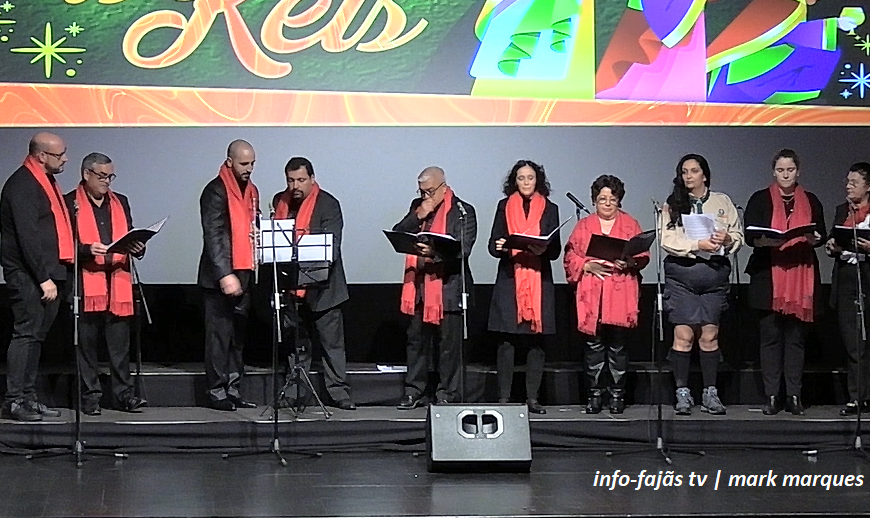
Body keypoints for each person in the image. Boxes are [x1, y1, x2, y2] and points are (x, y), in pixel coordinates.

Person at [63, 153, 149, 415]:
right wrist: (88, 250)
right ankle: (90, 397)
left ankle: (124, 395)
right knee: (86, 347)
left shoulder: (120, 201)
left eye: (110, 176)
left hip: (118, 283)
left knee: (120, 348)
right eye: (102, 176)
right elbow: (63, 246)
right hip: (86, 284)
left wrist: (138, 247)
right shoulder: (70, 203)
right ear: (86, 174)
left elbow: (129, 234)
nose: (107, 182)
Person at [744, 149, 825, 416]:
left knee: (796, 340)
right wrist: (766, 241)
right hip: (769, 275)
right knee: (770, 339)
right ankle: (771, 396)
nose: (785, 175)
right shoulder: (760, 199)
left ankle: (793, 395)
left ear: (798, 171)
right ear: (773, 172)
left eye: (790, 170)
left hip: (801, 274)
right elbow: (750, 235)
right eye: (780, 170)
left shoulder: (810, 200)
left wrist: (815, 239)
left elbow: (820, 233)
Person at [661, 153, 743, 415]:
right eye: (684, 172)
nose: (688, 176)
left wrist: (728, 238)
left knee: (709, 336)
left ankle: (710, 392)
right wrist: (697, 245)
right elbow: (667, 240)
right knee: (684, 336)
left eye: (694, 171)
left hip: (713, 277)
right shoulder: (673, 204)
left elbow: (737, 235)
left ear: (704, 175)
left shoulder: (722, 201)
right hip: (683, 277)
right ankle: (682, 392)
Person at [271, 157, 355, 411]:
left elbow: (333, 247)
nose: (295, 185)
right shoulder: (279, 201)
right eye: (290, 180)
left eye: (300, 180)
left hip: (324, 288)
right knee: (296, 345)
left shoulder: (329, 204)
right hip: (291, 288)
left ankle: (338, 392)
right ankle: (295, 391)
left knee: (332, 346)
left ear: (312, 179)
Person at [0, 133, 72, 421]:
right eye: (59, 154)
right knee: (26, 334)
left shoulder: (46, 183)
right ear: (41, 155)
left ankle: (28, 396)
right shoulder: (23, 185)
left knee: (36, 337)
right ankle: (15, 400)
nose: (65, 158)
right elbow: (26, 236)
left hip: (47, 272)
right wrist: (43, 278)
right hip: (29, 274)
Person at [564, 175, 649, 414]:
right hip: (592, 292)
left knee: (618, 347)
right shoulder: (584, 226)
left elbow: (643, 255)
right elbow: (570, 255)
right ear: (594, 201)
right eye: (602, 199)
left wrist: (630, 261)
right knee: (593, 347)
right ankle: (594, 396)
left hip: (620, 290)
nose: (608, 203)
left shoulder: (630, 224)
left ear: (619, 200)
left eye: (612, 199)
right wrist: (586, 265)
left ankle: (617, 396)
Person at [393, 167, 476, 408]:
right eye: (421, 191)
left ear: (443, 187)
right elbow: (399, 234)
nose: (426, 196)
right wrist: (418, 215)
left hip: (448, 288)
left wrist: (435, 253)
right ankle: (414, 391)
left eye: (430, 191)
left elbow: (463, 250)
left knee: (449, 347)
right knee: (416, 343)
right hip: (419, 286)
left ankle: (447, 393)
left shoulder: (462, 211)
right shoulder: (418, 206)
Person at [487, 160, 561, 414]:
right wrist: (499, 246)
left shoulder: (551, 208)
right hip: (510, 279)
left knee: (536, 342)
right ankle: (504, 398)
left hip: (539, 280)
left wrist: (545, 248)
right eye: (521, 178)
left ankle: (532, 398)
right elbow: (492, 245)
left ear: (538, 180)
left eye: (530, 177)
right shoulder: (503, 207)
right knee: (507, 341)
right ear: (514, 182)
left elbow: (556, 250)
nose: (526, 182)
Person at [197, 140, 260, 411]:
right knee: (219, 337)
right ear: (230, 161)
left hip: (245, 272)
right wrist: (226, 274)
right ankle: (216, 391)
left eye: (252, 164)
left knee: (237, 338)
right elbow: (214, 235)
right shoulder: (215, 190)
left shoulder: (252, 190)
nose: (249, 169)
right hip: (219, 279)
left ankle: (233, 388)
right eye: (244, 163)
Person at [825, 162, 870, 416]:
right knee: (853, 342)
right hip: (847, 278)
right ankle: (856, 397)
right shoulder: (843, 210)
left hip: (868, 275)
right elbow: (834, 238)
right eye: (847, 182)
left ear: (868, 187)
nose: (848, 186)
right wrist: (832, 245)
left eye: (854, 182)